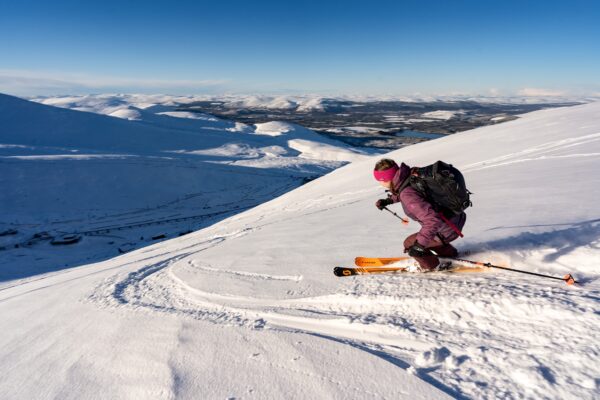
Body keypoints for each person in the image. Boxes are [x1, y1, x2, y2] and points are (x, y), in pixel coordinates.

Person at [373, 158, 466, 272]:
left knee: (410, 244)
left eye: (379, 180)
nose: (379, 183)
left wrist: (419, 246)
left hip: (446, 228)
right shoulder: (409, 176)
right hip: (454, 219)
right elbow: (414, 193)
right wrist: (389, 200)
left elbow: (432, 220)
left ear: (386, 179)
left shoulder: (407, 194)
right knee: (423, 238)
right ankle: (450, 254)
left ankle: (432, 267)